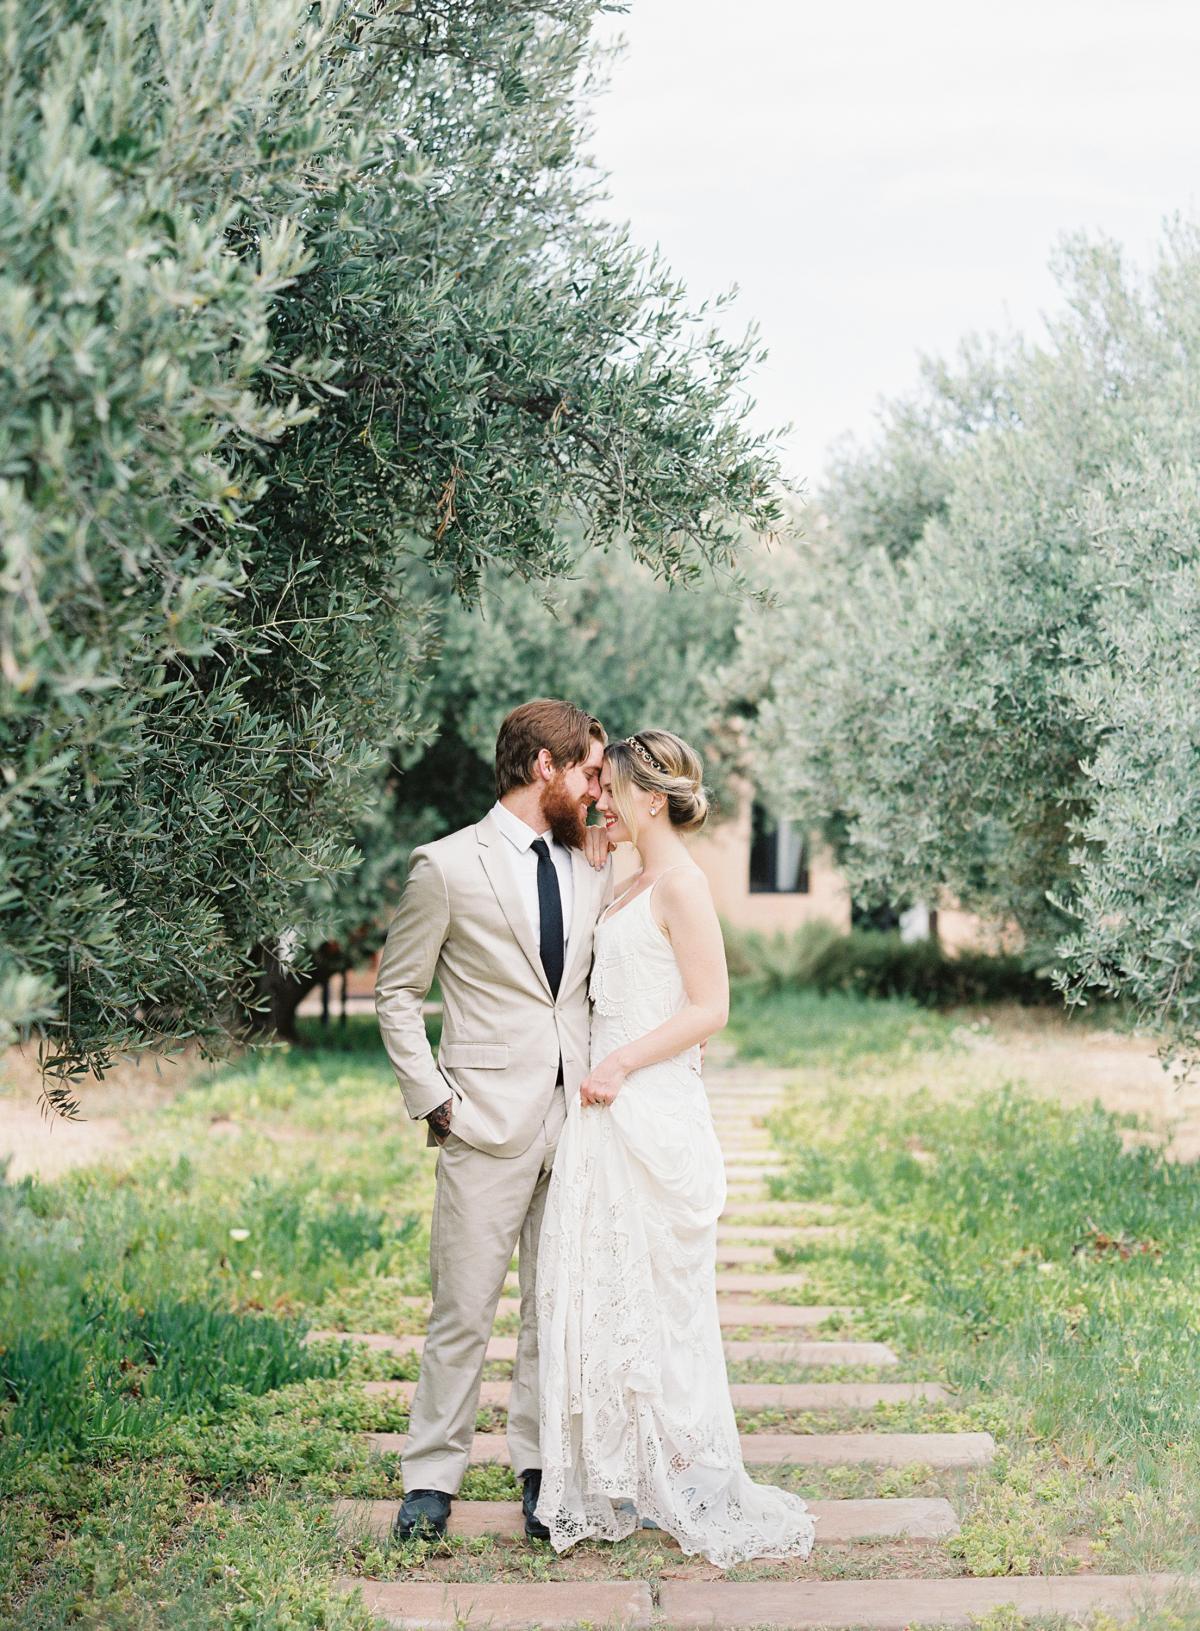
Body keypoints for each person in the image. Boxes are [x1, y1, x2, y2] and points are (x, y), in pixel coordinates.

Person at [535, 729, 817, 1567]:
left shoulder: (684, 884)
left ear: (651, 798)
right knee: (617, 1295)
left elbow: (711, 1007)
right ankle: (630, 1467)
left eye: (613, 790)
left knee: (667, 1301)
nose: (601, 801)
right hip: (610, 1112)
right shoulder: (630, 875)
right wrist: (596, 837)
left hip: (646, 1103)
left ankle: (689, 1474)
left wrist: (619, 1059)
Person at [374, 699, 612, 1542]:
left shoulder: (592, 864)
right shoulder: (445, 866)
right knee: (463, 1309)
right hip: (482, 1121)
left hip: (577, 1121)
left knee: (553, 1308)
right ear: (543, 766)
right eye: (587, 769)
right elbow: (396, 994)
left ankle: (541, 1472)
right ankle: (431, 1478)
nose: (596, 788)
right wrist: (433, 1099)